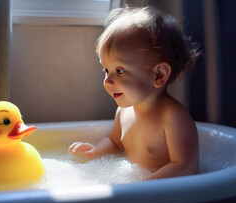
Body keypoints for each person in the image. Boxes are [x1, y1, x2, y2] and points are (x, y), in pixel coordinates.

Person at [68, 6, 199, 180]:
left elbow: (185, 166)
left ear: (158, 75)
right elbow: (115, 143)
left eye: (119, 71)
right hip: (134, 188)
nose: (108, 81)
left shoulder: (173, 117)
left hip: (163, 196)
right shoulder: (124, 112)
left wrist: (148, 183)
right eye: (106, 70)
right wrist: (97, 151)